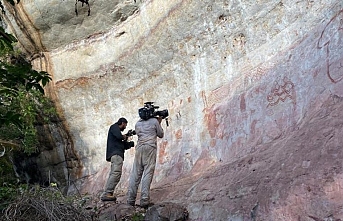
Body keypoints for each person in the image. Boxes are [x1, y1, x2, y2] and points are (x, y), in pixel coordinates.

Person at [127, 115, 164, 208]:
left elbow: (139, 134)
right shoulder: (154, 121)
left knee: (135, 174)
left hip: (139, 148)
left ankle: (130, 200)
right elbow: (161, 134)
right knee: (148, 172)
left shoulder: (138, 123)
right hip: (150, 147)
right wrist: (159, 122)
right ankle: (144, 200)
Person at [101, 117, 131, 201]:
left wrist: (129, 144)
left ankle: (108, 192)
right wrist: (125, 136)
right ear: (122, 123)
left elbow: (123, 144)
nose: (125, 127)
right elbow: (119, 136)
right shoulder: (114, 127)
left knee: (114, 173)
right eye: (125, 125)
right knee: (116, 173)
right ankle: (107, 193)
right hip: (116, 154)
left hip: (117, 154)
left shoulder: (117, 133)